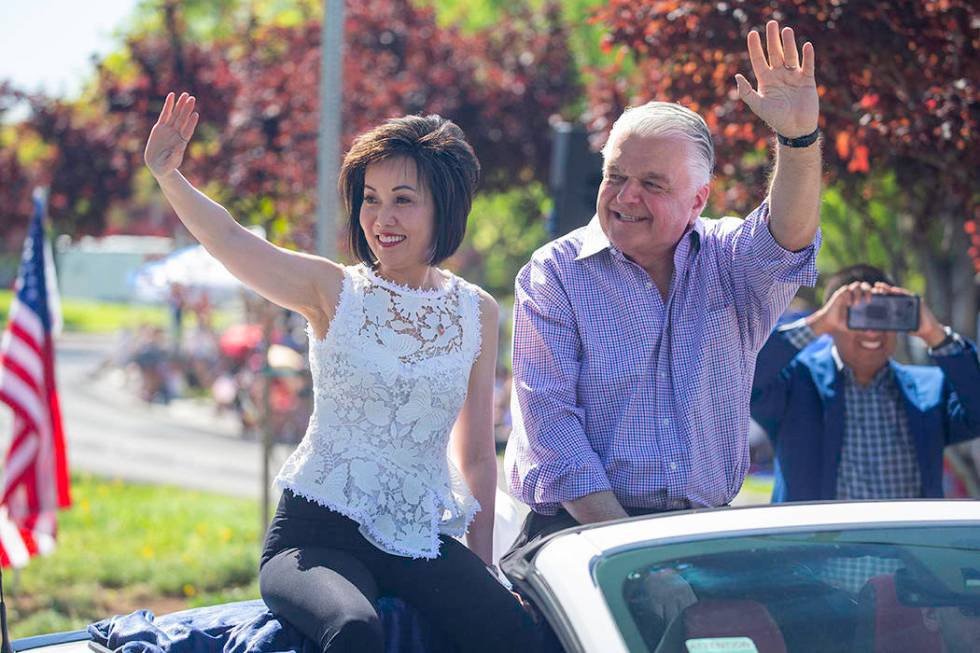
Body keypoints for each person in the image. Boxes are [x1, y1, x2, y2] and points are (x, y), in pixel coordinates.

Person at [144, 93, 542, 652]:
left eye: (404, 200)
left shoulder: (477, 311)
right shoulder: (334, 291)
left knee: (518, 633)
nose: (383, 218)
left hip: (417, 538)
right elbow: (231, 240)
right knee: (355, 631)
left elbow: (476, 455)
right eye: (371, 199)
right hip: (315, 535)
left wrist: (482, 568)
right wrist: (168, 175)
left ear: (445, 209)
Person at [504, 19, 822, 564]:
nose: (625, 197)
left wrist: (797, 140)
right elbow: (553, 431)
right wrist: (635, 554)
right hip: (578, 532)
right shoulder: (553, 273)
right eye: (614, 176)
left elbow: (787, 240)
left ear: (699, 200)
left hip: (696, 535)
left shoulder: (729, 260)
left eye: (652, 184)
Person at [751, 264, 980, 502]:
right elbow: (745, 378)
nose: (872, 332)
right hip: (819, 539)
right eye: (858, 315)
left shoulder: (929, 390)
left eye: (883, 315)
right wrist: (816, 323)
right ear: (832, 324)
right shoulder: (795, 385)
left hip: (905, 538)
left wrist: (934, 334)